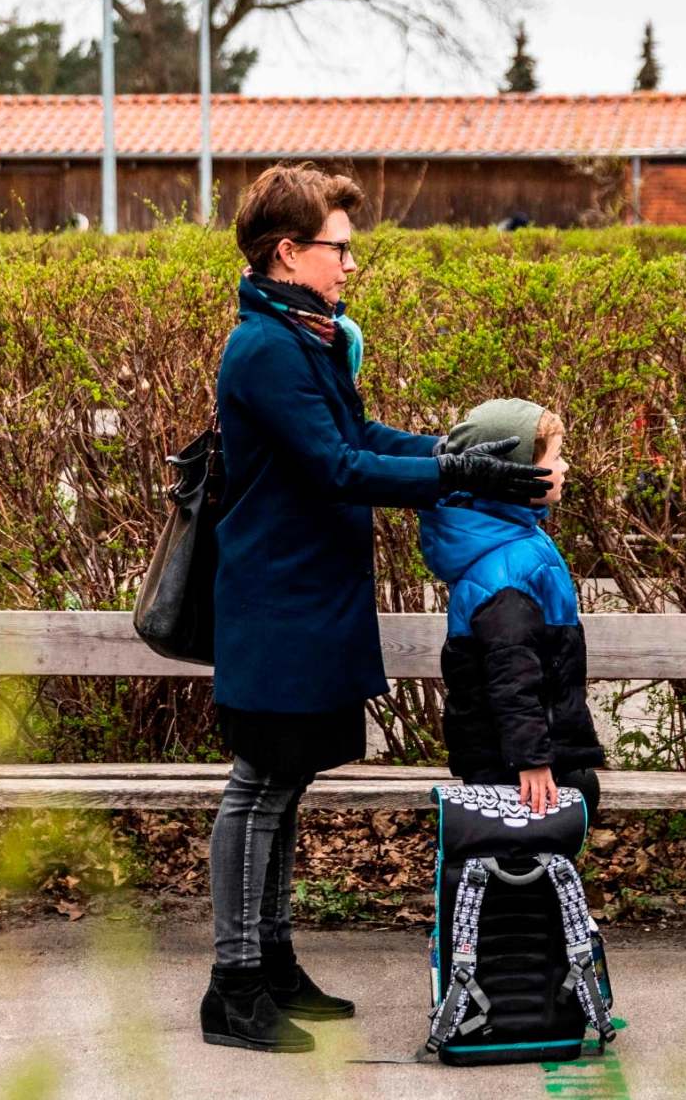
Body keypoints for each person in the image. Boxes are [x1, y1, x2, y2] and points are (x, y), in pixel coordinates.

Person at [203, 164, 551, 1054]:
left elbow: (360, 440)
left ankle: (272, 962)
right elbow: (338, 468)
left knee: (286, 785)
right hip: (276, 602)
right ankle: (233, 985)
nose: (352, 263)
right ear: (289, 252)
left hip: (310, 600)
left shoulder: (306, 337)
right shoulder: (265, 350)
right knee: (259, 788)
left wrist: (451, 448)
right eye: (339, 247)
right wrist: (459, 472)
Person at [419, 398, 600, 821]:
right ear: (518, 474)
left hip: (521, 751)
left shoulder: (516, 539)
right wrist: (532, 760)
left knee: (577, 799)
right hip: (512, 762)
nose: (566, 466)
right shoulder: (506, 568)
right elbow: (510, 673)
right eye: (556, 457)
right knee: (530, 850)